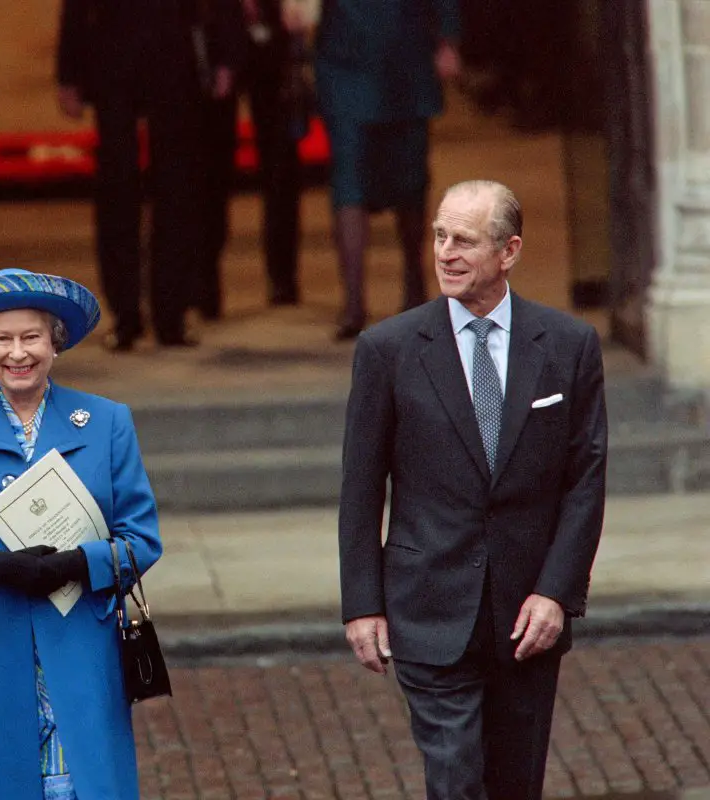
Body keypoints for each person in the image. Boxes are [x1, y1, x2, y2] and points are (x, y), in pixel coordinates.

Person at [338, 180, 607, 799]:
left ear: (508, 251)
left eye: (465, 240)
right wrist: (362, 602)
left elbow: (585, 481)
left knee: (516, 785)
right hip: (428, 604)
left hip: (527, 616)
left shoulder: (568, 345)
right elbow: (360, 486)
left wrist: (557, 592)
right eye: (439, 236)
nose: (445, 252)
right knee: (455, 780)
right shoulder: (388, 349)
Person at [0, 268, 163, 798]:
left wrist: (77, 563)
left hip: (80, 644)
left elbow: (142, 536)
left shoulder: (108, 422)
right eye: (2, 339)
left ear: (54, 344)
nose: (17, 353)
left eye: (31, 337)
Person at [56, 0, 237, 349]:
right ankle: (126, 313)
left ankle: (170, 311)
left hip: (174, 53)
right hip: (115, 51)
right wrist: (69, 72)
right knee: (118, 188)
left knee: (177, 187)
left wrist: (226, 53)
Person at [314, 0, 461, 338]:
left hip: (394, 57)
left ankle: (394, 287)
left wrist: (448, 38)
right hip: (361, 56)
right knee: (357, 180)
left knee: (400, 178)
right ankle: (360, 297)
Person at [197, 0, 304, 318]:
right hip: (217, 32)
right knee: (212, 168)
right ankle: (205, 281)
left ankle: (283, 276)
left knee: (281, 168)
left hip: (272, 33)